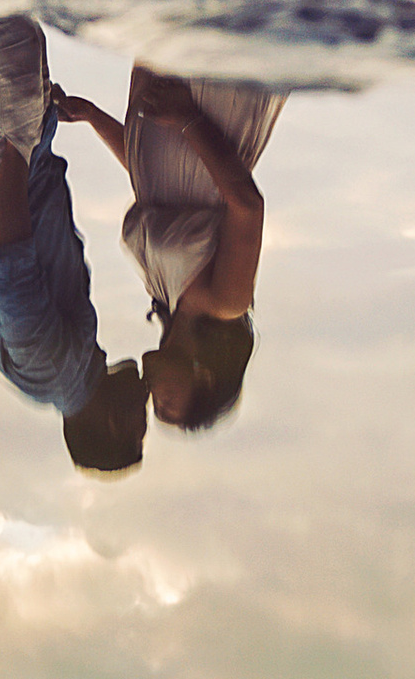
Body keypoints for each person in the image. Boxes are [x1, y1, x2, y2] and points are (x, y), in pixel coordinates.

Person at [0, 19, 146, 474]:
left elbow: (10, 262)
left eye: (139, 427)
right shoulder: (67, 370)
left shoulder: (54, 370)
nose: (146, 410)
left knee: (3, 7)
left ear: (112, 425)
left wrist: (17, 144)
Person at [53, 66, 278, 434]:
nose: (152, 396)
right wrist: (187, 117)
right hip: (207, 110)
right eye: (167, 401)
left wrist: (93, 117)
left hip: (159, 112)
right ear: (204, 379)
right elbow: (247, 206)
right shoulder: (226, 302)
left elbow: (155, 181)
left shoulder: (164, 296)